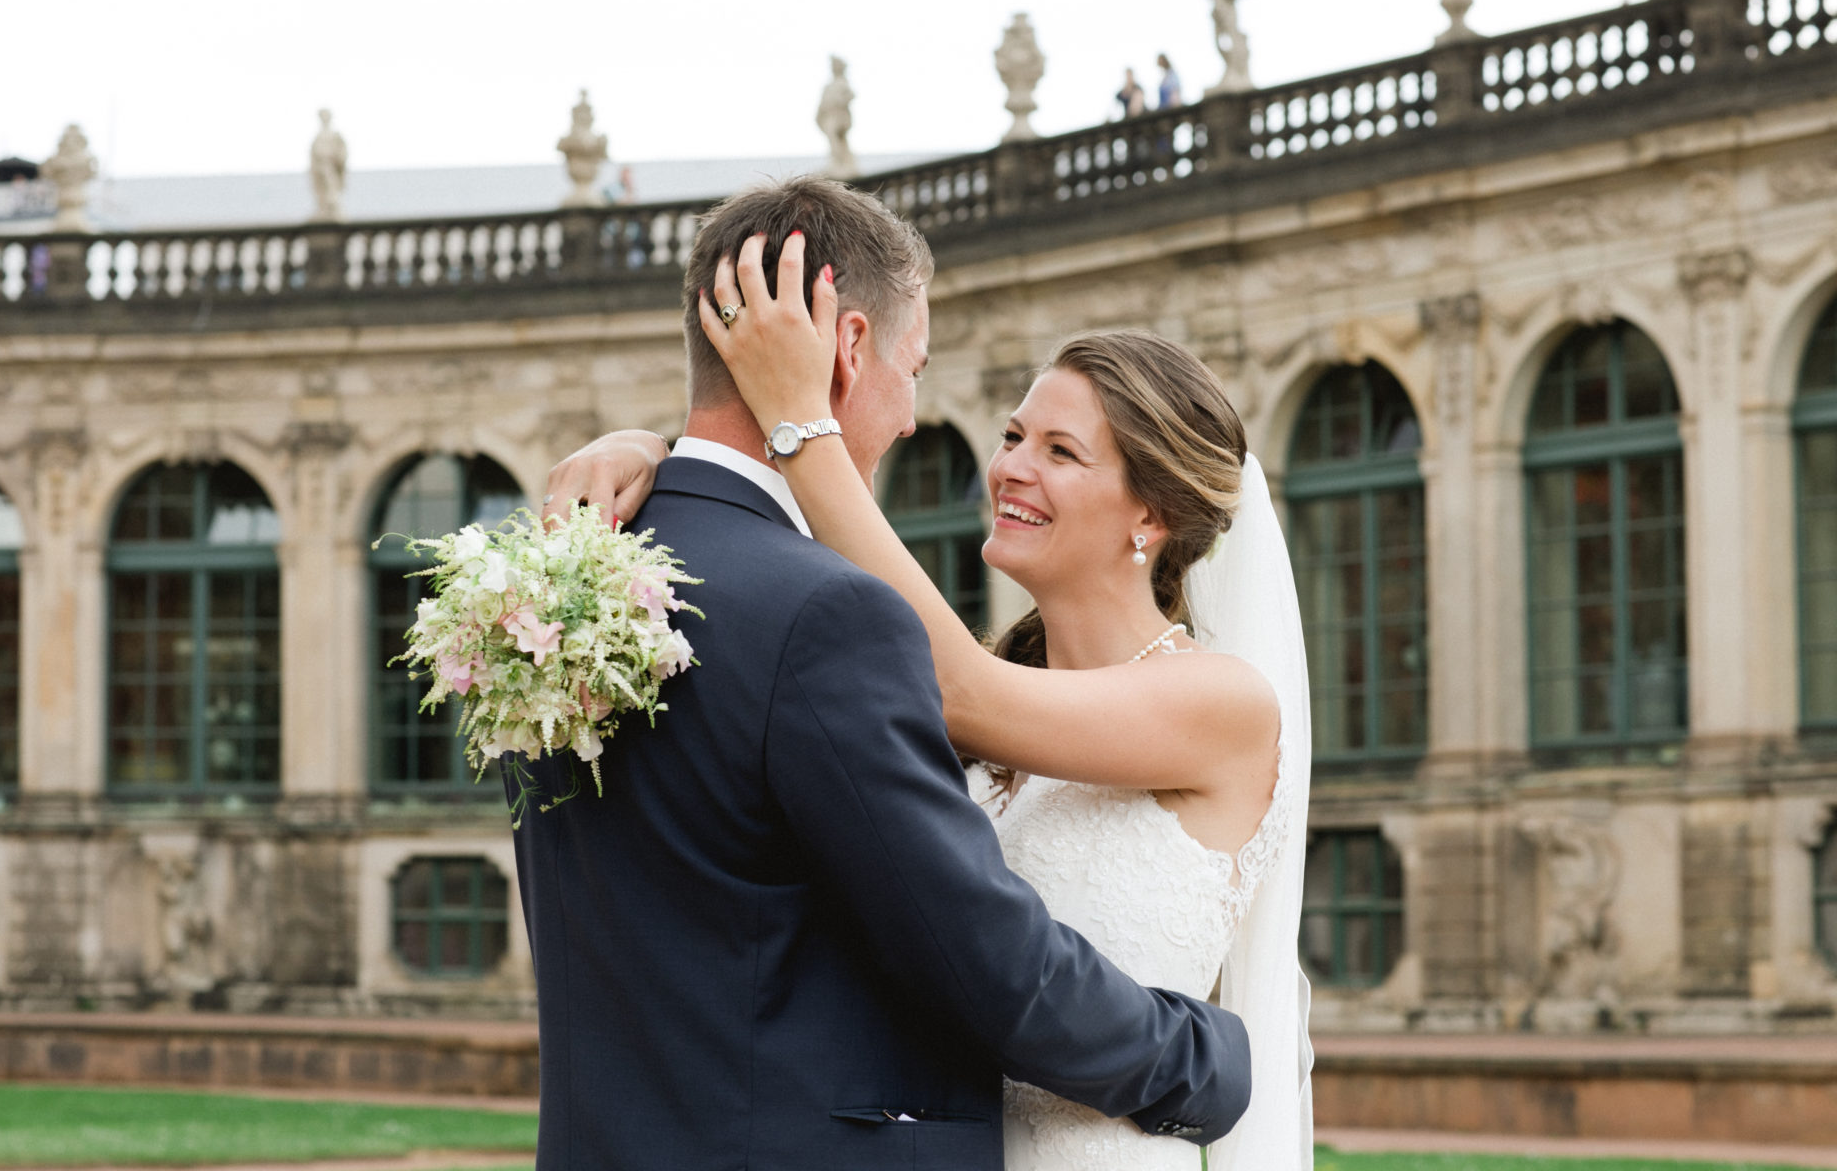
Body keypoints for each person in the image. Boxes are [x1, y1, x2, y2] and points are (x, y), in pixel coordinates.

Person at [547, 201, 1316, 1169]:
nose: (1006, 468)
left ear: (1151, 515)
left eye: (1060, 451)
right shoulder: (960, 685)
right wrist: (672, 456)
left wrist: (789, 427)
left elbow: (961, 686)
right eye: (1013, 433)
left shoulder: (1222, 704)